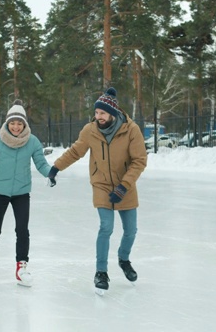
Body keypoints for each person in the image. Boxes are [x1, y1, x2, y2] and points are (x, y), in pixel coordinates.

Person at [47, 87, 147, 294]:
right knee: (106, 227)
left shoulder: (131, 130)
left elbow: (139, 161)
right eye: (96, 113)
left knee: (131, 231)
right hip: (101, 184)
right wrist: (55, 167)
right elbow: (75, 152)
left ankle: (124, 259)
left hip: (125, 185)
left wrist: (123, 186)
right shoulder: (90, 130)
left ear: (112, 113)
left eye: (102, 113)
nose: (98, 116)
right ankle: (101, 272)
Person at [0, 100, 53, 287]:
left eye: (19, 123)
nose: (16, 127)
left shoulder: (32, 141)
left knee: (22, 230)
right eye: (12, 123)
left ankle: (21, 268)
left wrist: (50, 174)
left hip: (21, 192)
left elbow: (41, 163)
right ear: (7, 123)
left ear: (24, 124)